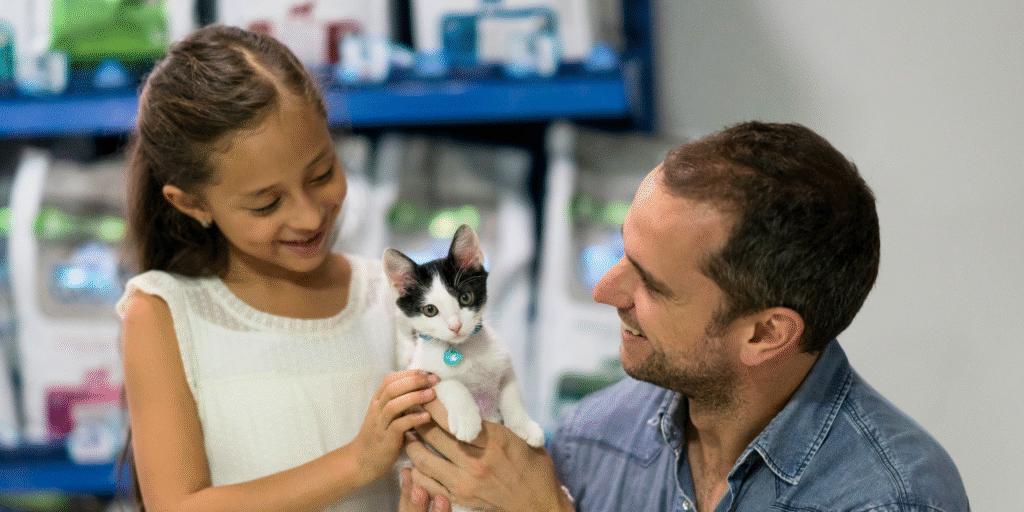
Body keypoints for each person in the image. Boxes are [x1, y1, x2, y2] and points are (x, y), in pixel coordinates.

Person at [401, 122, 970, 511]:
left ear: (765, 333)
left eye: (651, 283)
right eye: (623, 251)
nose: (604, 290)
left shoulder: (889, 498)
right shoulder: (592, 439)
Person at [117, 25, 440, 511]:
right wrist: (355, 462)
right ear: (192, 204)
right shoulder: (163, 312)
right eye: (267, 204)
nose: (309, 216)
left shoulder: (391, 296)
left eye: (322, 174)